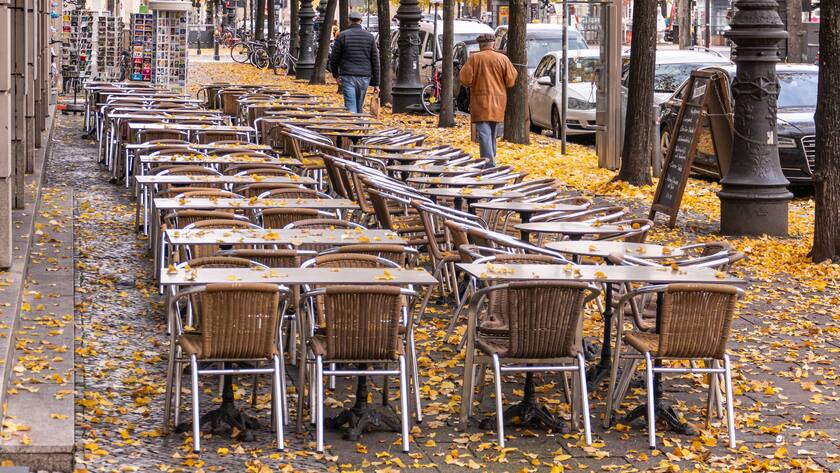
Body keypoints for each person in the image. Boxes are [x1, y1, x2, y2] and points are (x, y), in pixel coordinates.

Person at [458, 33, 517, 166]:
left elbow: (465, 79)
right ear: (493, 44)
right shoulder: (503, 59)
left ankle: (489, 163)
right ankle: (491, 159)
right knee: (492, 132)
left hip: (480, 101)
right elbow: (510, 81)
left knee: (484, 133)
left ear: (480, 45)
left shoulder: (474, 58)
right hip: (499, 100)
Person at [329, 11, 380, 114]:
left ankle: (354, 122)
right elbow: (375, 60)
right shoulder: (369, 37)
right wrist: (376, 83)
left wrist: (336, 75)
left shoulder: (342, 35)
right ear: (360, 21)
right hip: (365, 76)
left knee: (350, 105)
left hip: (348, 75)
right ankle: (359, 121)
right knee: (359, 105)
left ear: (349, 20)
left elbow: (334, 58)